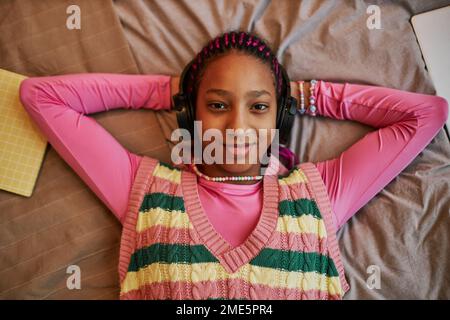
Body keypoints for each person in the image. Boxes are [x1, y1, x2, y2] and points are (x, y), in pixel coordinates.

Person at [19, 30, 448, 300]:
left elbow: (426, 114)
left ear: (278, 119)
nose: (238, 125)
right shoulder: (144, 190)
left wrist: (302, 97)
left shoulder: (319, 196)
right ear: (192, 116)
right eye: (218, 104)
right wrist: (171, 93)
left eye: (259, 107)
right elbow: (41, 97)